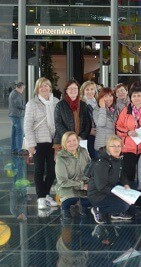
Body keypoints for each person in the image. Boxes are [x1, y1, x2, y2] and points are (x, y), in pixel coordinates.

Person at [24, 77, 59, 211]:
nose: (44, 88)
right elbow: (27, 125)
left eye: (46, 85)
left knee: (52, 171)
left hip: (53, 142)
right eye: (41, 86)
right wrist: (30, 144)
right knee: (39, 170)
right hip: (38, 141)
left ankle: (46, 194)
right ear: (37, 89)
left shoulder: (56, 102)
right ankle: (41, 198)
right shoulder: (32, 103)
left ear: (50, 87)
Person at [87, 135, 132, 223]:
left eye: (118, 146)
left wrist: (126, 184)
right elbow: (101, 187)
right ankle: (98, 209)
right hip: (98, 195)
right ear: (108, 148)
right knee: (125, 205)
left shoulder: (118, 159)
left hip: (110, 189)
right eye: (113, 146)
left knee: (131, 200)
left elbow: (122, 175)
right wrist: (119, 194)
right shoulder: (102, 163)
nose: (116, 148)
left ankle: (115, 213)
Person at [55, 131, 91, 217]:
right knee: (71, 201)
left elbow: (90, 169)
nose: (72, 143)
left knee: (94, 200)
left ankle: (82, 207)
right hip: (67, 188)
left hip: (84, 186)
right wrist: (82, 185)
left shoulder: (83, 151)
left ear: (78, 141)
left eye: (74, 140)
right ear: (64, 143)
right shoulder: (61, 158)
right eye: (68, 141)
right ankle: (65, 209)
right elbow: (63, 182)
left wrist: (91, 182)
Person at [54, 80, 91, 149]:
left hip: (79, 141)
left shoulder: (83, 105)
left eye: (75, 88)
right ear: (66, 91)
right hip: (63, 141)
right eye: (70, 88)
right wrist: (69, 137)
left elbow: (88, 123)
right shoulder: (60, 105)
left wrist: (81, 137)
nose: (73, 90)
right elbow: (58, 124)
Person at [93, 87, 118, 152]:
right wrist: (102, 108)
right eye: (105, 96)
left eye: (110, 96)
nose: (108, 99)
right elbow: (101, 124)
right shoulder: (97, 110)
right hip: (102, 146)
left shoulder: (114, 109)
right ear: (101, 98)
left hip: (112, 145)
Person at [80, 80, 98, 158]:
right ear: (83, 91)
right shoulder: (80, 104)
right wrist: (89, 131)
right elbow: (79, 121)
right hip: (87, 135)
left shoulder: (98, 103)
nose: (90, 91)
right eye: (87, 89)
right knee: (89, 157)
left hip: (98, 135)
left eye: (92, 89)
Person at [8, 81, 25, 156]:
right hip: (16, 116)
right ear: (20, 87)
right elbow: (18, 105)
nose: (23, 90)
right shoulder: (15, 94)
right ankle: (19, 150)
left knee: (14, 133)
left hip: (14, 115)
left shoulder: (14, 93)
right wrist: (26, 107)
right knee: (19, 132)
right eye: (23, 88)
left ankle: (14, 149)